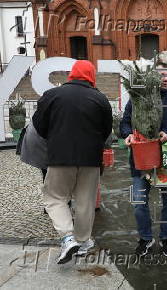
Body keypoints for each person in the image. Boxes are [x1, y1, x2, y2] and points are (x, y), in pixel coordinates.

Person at [32, 60, 113, 264]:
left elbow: (39, 125)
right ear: (91, 76)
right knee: (85, 201)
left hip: (60, 157)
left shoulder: (52, 95)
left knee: (54, 197)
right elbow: (106, 131)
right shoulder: (100, 99)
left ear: (72, 74)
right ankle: (84, 242)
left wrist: (56, 136)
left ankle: (68, 238)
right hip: (91, 159)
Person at [120, 62, 167, 257]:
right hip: (141, 161)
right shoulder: (138, 98)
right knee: (138, 203)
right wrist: (127, 134)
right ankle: (145, 239)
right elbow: (125, 121)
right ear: (151, 78)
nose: (165, 78)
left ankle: (166, 239)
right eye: (161, 74)